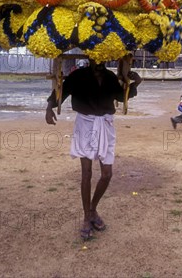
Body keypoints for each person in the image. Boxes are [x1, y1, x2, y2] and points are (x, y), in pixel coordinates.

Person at [45, 59, 124, 241]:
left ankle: (93, 208)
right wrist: (49, 107)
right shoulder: (78, 76)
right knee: (86, 174)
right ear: (90, 58)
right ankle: (87, 218)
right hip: (85, 125)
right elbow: (61, 93)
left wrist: (135, 84)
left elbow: (120, 96)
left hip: (105, 125)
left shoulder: (110, 77)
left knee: (107, 174)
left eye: (103, 58)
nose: (100, 62)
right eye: (96, 58)